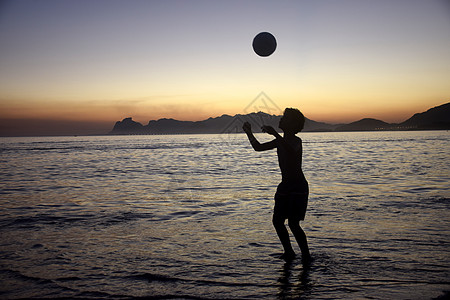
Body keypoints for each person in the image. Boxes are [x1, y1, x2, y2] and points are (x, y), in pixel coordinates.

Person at [243, 108, 311, 262]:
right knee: (277, 221)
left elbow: (292, 152)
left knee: (293, 224)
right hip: (285, 186)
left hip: (298, 187)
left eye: (285, 118)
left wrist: (275, 134)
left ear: (293, 124)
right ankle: (289, 252)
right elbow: (258, 148)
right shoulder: (280, 141)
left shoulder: (296, 141)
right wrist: (249, 133)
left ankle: (306, 255)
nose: (281, 119)